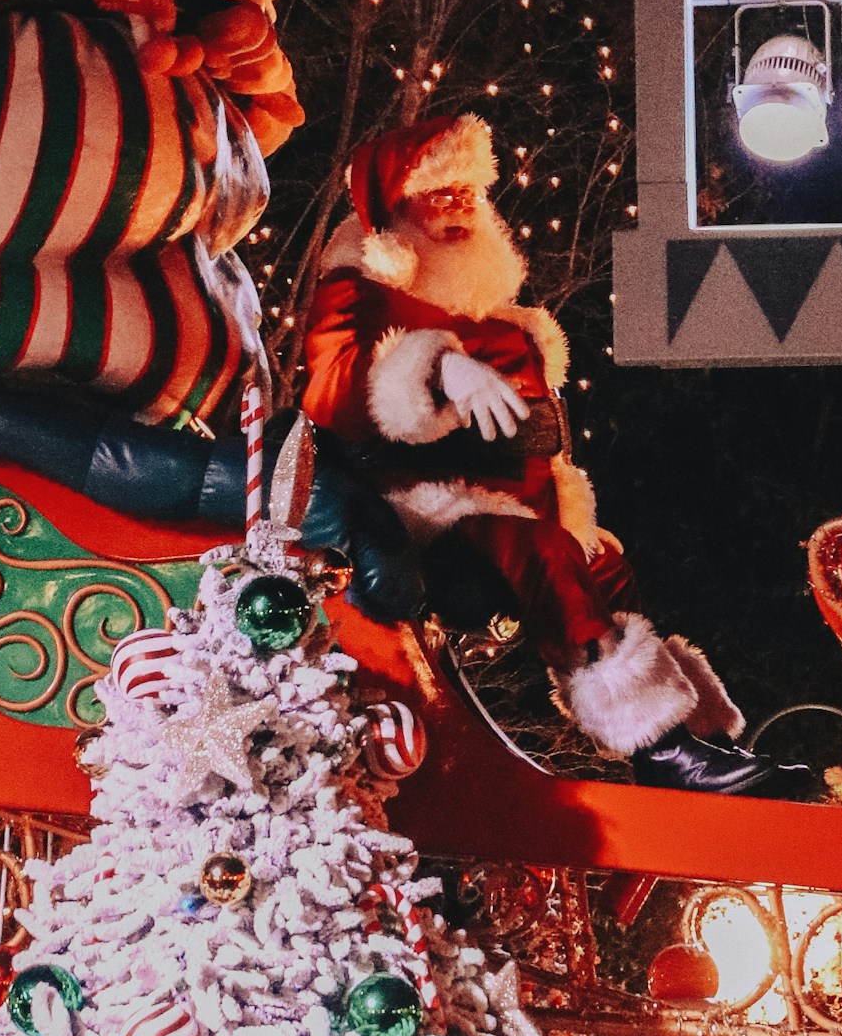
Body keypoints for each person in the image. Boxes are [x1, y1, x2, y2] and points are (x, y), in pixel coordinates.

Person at [300, 112, 809, 795]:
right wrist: (437, 369)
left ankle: (694, 738)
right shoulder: (359, 288)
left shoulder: (492, 314)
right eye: (438, 190)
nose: (458, 206)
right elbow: (331, 392)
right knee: (539, 548)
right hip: (420, 506)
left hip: (509, 497)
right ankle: (660, 747)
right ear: (395, 204)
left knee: (607, 563)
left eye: (468, 191)